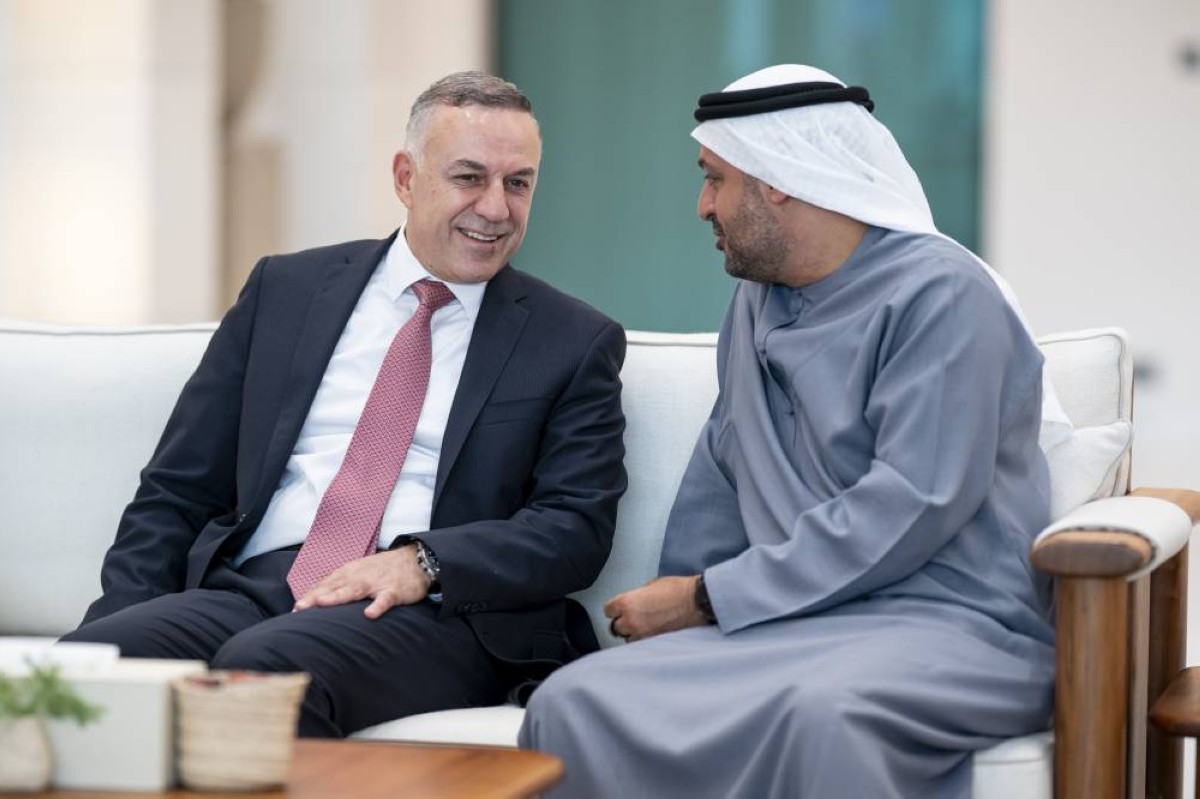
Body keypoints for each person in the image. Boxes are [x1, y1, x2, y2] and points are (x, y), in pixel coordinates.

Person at [519, 64, 1054, 798]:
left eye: (715, 179)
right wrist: (678, 602)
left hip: (950, 626)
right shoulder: (754, 305)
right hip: (787, 623)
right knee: (572, 702)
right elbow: (726, 468)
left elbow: (913, 502)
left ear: (778, 179)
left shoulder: (945, 296)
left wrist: (708, 596)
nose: (702, 204)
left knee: (822, 714)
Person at [62, 71, 627, 738]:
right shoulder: (286, 290)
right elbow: (177, 487)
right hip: (260, 585)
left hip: (442, 611)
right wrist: (111, 644)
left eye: (518, 183)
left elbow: (573, 528)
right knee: (76, 674)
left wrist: (423, 563)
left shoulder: (572, 339)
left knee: (265, 673)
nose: (497, 208)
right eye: (469, 177)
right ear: (405, 177)